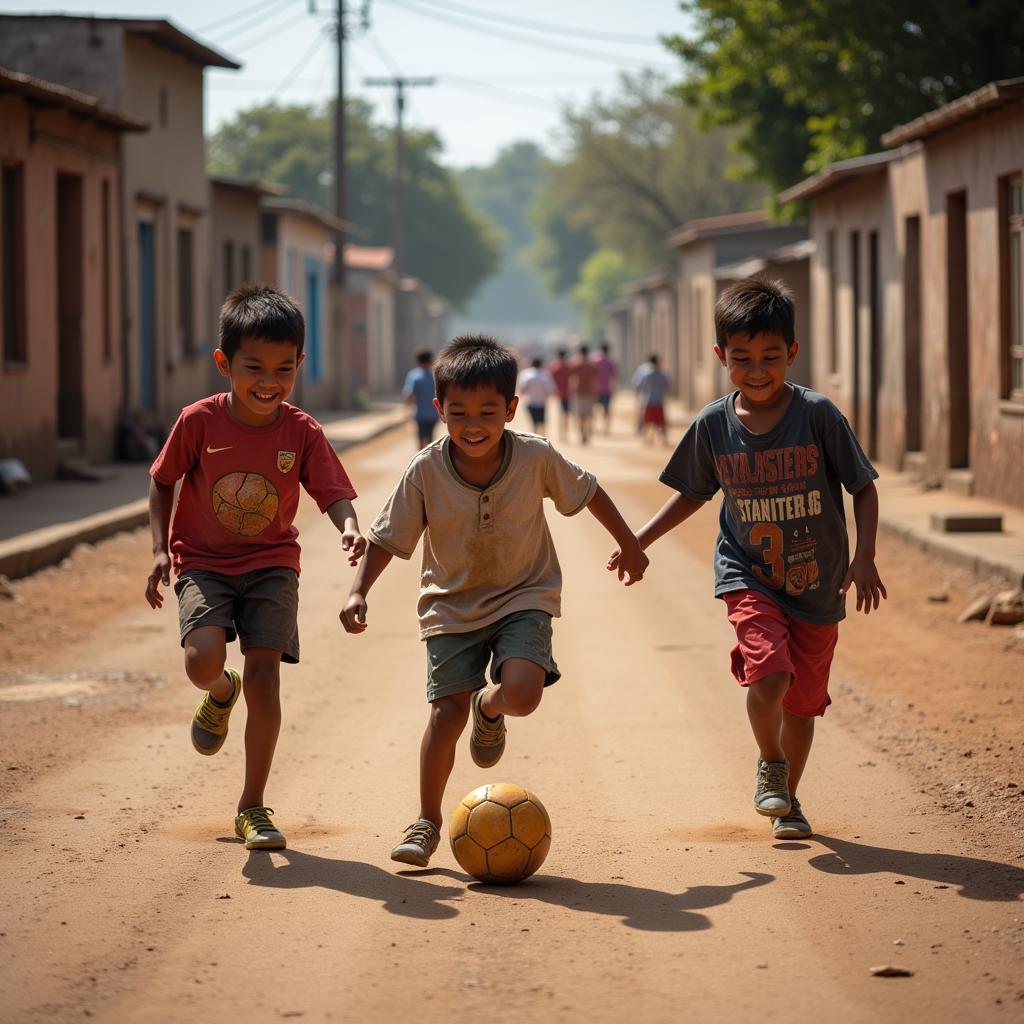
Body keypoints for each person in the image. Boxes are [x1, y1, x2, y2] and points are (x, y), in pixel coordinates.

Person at [340, 335, 648, 867]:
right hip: (450, 605)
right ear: (438, 410)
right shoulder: (425, 470)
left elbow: (589, 491)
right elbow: (388, 538)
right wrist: (358, 590)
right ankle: (426, 822)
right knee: (444, 714)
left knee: (523, 694)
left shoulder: (535, 456)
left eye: (488, 411)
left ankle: (492, 707)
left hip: (524, 594)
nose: (473, 424)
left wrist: (630, 544)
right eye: (458, 413)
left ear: (511, 407)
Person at [614, 277, 885, 841]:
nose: (756, 370)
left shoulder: (817, 415)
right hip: (749, 575)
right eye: (742, 359)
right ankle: (771, 763)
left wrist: (865, 558)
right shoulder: (714, 425)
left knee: (804, 706)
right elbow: (693, 491)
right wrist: (639, 540)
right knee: (771, 676)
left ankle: (788, 803)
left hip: (818, 583)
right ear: (721, 357)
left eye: (769, 357)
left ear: (792, 352)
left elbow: (862, 485)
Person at [145, 284, 366, 852]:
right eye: (254, 367)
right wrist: (156, 552)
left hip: (272, 564)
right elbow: (162, 481)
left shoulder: (302, 431)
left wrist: (347, 524)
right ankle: (221, 691)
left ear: (299, 365)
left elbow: (333, 491)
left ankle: (252, 806)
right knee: (202, 663)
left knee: (267, 678)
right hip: (202, 562)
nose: (269, 381)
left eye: (283, 369)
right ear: (224, 364)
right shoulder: (198, 422)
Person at [403, 348, 439, 449]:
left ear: (417, 361)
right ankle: (430, 459)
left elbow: (409, 395)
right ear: (431, 360)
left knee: (421, 439)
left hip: (420, 414)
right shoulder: (436, 375)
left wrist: (406, 410)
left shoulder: (414, 376)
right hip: (434, 413)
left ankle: (421, 461)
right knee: (431, 439)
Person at [635, 353, 670, 445]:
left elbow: (639, 386)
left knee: (647, 421)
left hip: (648, 401)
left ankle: (646, 439)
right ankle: (663, 440)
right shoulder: (662, 374)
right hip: (658, 401)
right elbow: (667, 386)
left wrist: (638, 398)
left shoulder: (646, 375)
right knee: (661, 422)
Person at [569, 344, 599, 444]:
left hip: (579, 391)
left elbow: (572, 378)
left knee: (581, 415)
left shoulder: (576, 364)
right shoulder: (591, 365)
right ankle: (587, 433)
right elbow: (595, 378)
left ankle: (582, 434)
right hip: (590, 392)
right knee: (589, 414)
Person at [516, 357, 557, 432]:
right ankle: (542, 439)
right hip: (541, 402)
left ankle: (535, 437)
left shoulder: (526, 374)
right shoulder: (545, 374)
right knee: (542, 423)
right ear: (541, 364)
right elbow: (550, 390)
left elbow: (522, 389)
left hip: (530, 402)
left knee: (533, 423)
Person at [591, 342, 619, 436]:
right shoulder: (611, 361)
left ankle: (594, 427)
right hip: (607, 389)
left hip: (596, 389)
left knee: (594, 409)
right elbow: (614, 376)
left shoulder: (595, 360)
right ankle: (606, 428)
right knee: (607, 409)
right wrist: (614, 387)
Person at [546, 348, 572, 441]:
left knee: (560, 414)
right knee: (566, 414)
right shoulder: (568, 366)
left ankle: (561, 434)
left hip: (558, 394)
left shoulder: (554, 366)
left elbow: (550, 379)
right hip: (568, 393)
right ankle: (565, 433)